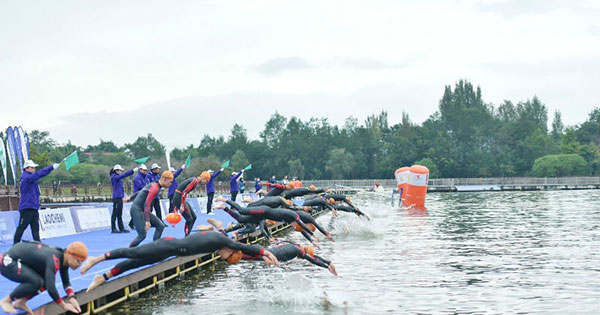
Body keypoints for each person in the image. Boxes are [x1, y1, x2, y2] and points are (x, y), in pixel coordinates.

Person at [81, 230, 279, 292]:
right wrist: (266, 253)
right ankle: (96, 259)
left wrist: (261, 258)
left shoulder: (222, 246)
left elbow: (244, 254)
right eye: (226, 258)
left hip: (169, 252)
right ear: (229, 250)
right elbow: (245, 248)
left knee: (137, 263)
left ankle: (103, 277)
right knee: (133, 253)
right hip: (168, 245)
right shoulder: (223, 241)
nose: (222, 258)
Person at [205, 219, 336, 275]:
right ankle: (219, 229)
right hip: (260, 254)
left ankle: (218, 230)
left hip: (260, 254)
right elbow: (313, 259)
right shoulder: (296, 250)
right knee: (228, 251)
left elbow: (312, 257)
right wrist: (326, 266)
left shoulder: (293, 245)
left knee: (229, 250)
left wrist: (328, 262)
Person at [0, 241, 88, 314]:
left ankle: (20, 302)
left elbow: (66, 281)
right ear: (70, 254)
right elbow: (51, 288)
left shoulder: (63, 257)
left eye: (82, 262)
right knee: (36, 282)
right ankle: (7, 301)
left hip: (19, 258)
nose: (79, 265)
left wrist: (72, 297)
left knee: (44, 282)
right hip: (8, 261)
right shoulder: (55, 259)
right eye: (78, 261)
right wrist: (64, 305)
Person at [213, 196, 318, 246]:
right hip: (263, 210)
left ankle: (224, 207)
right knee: (241, 211)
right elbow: (301, 225)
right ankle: (224, 199)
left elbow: (302, 229)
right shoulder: (292, 216)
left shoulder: (288, 220)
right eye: (295, 227)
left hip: (261, 214)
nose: (294, 228)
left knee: (241, 219)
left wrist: (270, 238)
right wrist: (313, 236)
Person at [13, 159, 60, 244]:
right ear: (26, 168)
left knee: (35, 228)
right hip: (27, 207)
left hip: (33, 207)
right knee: (22, 227)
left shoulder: (31, 179)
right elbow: (39, 174)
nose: (34, 169)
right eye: (32, 167)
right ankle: (15, 244)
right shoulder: (26, 177)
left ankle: (38, 245)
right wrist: (51, 167)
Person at [128, 171, 173, 247]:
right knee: (142, 235)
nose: (171, 184)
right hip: (137, 210)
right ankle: (128, 251)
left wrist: (130, 198)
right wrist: (147, 221)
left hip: (141, 209)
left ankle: (155, 248)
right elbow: (147, 204)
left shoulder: (155, 184)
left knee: (160, 225)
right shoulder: (155, 187)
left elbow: (141, 191)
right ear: (165, 179)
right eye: (170, 182)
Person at [110, 164, 137, 234]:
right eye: (120, 170)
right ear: (116, 170)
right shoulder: (114, 177)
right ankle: (113, 228)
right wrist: (132, 171)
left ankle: (121, 228)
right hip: (116, 197)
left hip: (119, 197)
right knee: (115, 213)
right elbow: (124, 175)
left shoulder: (117, 177)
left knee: (119, 213)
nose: (121, 172)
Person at [128, 164, 149, 229]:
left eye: (146, 170)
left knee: (141, 210)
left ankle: (137, 223)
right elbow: (140, 187)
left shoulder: (144, 177)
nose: (145, 171)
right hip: (137, 196)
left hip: (142, 196)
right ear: (140, 170)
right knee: (137, 211)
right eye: (144, 170)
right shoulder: (137, 178)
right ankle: (131, 223)